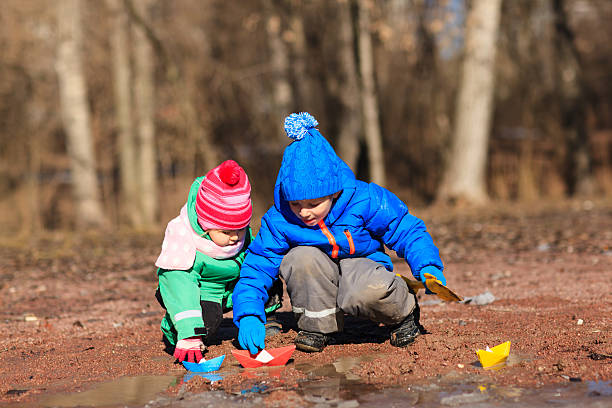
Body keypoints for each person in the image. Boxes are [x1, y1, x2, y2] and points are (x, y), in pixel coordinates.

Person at [232, 112, 446, 354]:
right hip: (318, 275)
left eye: (313, 204)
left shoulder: (363, 199)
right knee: (299, 258)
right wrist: (249, 312)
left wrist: (427, 265)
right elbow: (258, 265)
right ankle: (318, 326)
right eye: (295, 204)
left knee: (362, 291)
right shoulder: (279, 219)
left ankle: (403, 312)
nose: (303, 213)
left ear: (334, 193)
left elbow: (406, 228)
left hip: (363, 264)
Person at [154, 160, 282, 363]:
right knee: (207, 323)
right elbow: (180, 286)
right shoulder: (184, 240)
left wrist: (251, 313)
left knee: (267, 277)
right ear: (206, 225)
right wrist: (189, 332)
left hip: (231, 285)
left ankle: (264, 320)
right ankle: (175, 329)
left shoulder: (239, 235)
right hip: (202, 290)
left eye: (240, 229)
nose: (235, 237)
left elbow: (254, 266)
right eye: (226, 232)